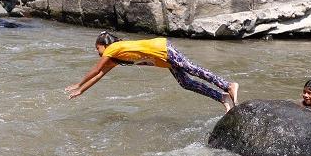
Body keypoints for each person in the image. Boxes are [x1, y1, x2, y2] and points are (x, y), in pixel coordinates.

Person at [65, 31, 239, 112]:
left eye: (97, 48)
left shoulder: (113, 48)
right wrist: (81, 90)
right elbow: (100, 74)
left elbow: (95, 69)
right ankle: (222, 97)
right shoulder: (116, 57)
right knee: (186, 83)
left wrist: (78, 83)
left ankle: (228, 85)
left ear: (104, 44)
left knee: (190, 68)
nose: (97, 52)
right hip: (162, 59)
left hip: (162, 49)